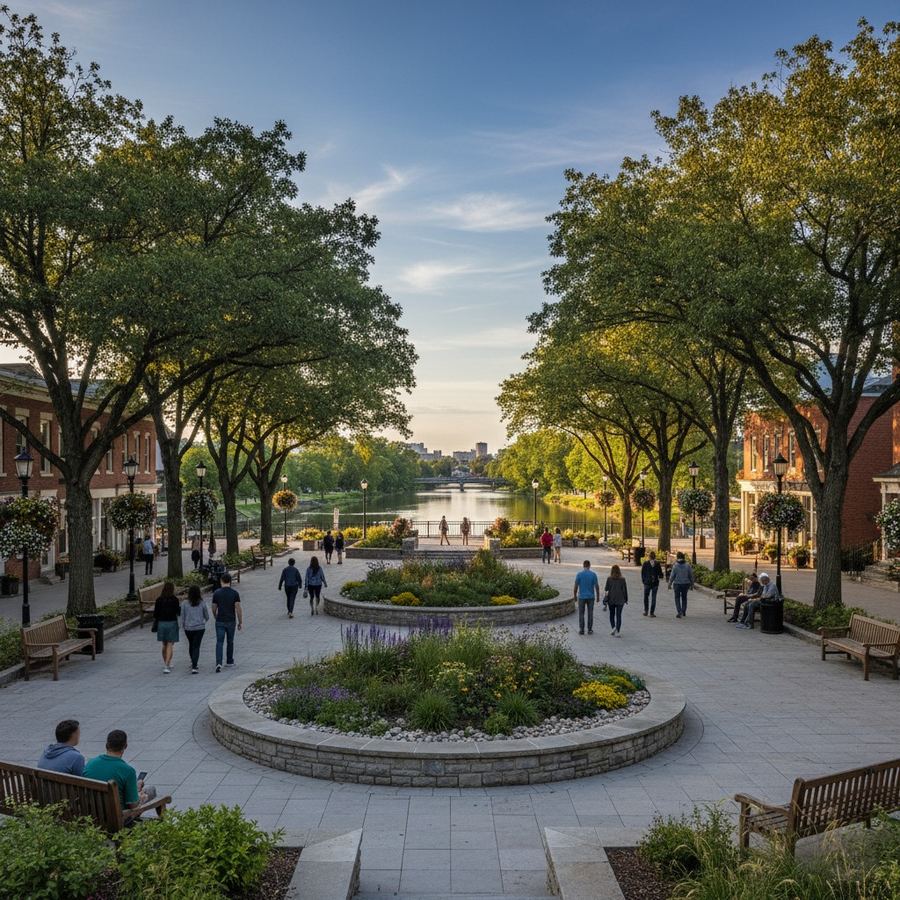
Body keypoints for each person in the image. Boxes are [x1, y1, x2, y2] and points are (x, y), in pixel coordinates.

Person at [84, 730, 157, 820]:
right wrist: (141, 798)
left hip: (92, 816)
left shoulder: (90, 764)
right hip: (117, 818)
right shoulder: (128, 770)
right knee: (150, 791)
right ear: (125, 746)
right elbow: (133, 805)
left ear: (106, 745)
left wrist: (135, 787)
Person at [212, 573, 242, 672]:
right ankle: (229, 661)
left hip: (220, 620)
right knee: (230, 641)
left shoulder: (217, 593)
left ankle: (218, 663)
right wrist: (240, 621)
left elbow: (214, 608)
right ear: (230, 581)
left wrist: (215, 616)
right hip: (231, 620)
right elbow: (238, 608)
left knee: (219, 642)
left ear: (221, 581)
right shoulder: (234, 593)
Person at [153, 580, 180, 674]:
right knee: (170, 644)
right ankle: (167, 664)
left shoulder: (159, 600)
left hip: (161, 624)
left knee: (164, 644)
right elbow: (178, 612)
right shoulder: (175, 600)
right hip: (172, 623)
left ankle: (166, 662)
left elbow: (155, 614)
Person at [181, 584, 209, 674]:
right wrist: (202, 620)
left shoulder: (184, 603)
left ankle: (192, 660)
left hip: (188, 628)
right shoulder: (202, 603)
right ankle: (194, 665)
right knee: (196, 646)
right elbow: (207, 616)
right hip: (199, 627)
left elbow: (182, 617)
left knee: (191, 644)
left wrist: (184, 625)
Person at [573, 559, 600, 636]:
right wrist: (598, 596)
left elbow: (576, 586)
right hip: (591, 597)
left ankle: (582, 630)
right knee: (590, 613)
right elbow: (597, 586)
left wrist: (575, 596)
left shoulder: (579, 574)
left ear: (583, 566)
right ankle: (590, 629)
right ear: (589, 566)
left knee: (581, 613)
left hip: (581, 597)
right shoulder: (593, 574)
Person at [667, 551, 694, 618]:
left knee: (677, 598)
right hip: (686, 584)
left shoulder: (675, 565)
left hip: (677, 584)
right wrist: (692, 584)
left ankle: (679, 612)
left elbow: (672, 576)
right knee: (684, 598)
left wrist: (669, 584)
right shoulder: (687, 565)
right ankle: (683, 611)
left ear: (678, 557)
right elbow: (691, 575)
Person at [604, 564, 629, 636]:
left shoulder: (609, 579)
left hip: (611, 599)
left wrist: (605, 599)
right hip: (620, 600)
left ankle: (613, 628)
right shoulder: (622, 579)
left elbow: (606, 589)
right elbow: (625, 590)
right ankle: (618, 631)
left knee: (612, 615)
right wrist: (626, 599)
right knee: (619, 615)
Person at [640, 551, 664, 617]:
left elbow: (642, 573)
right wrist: (661, 576)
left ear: (649, 557)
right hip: (655, 583)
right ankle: (652, 612)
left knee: (646, 597)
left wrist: (643, 580)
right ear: (655, 557)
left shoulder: (645, 563)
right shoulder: (657, 564)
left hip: (647, 583)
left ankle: (646, 610)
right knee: (654, 598)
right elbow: (660, 574)